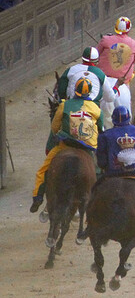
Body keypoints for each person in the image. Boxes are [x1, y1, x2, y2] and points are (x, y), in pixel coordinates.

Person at [30, 77, 103, 214]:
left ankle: (38, 198)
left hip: (65, 145)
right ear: (90, 93)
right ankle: (99, 201)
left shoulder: (64, 105)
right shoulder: (96, 109)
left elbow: (55, 126)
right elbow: (101, 129)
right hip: (87, 149)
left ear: (75, 91)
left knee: (42, 171)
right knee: (100, 171)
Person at [96, 106, 135, 244]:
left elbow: (101, 158)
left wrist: (104, 166)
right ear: (129, 118)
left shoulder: (106, 135)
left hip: (113, 176)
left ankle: (91, 224)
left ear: (113, 120)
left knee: (94, 193)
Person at [95, 16, 135, 118]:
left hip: (103, 80)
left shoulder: (105, 40)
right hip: (123, 83)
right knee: (127, 115)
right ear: (129, 30)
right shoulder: (134, 44)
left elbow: (95, 56)